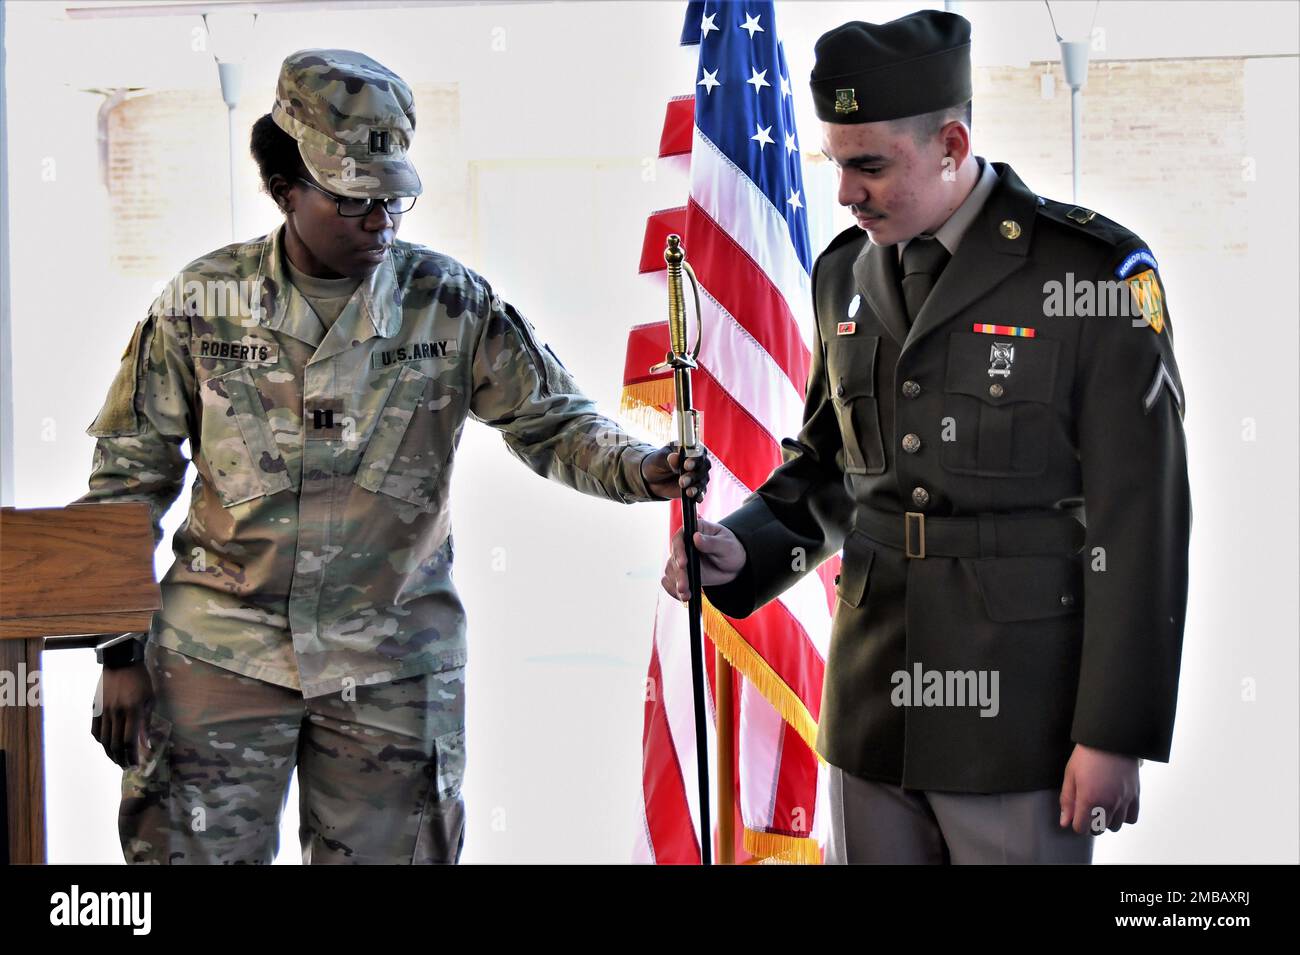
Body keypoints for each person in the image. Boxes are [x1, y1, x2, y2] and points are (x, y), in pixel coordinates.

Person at [79, 48, 708, 864]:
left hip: (389, 665)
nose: (381, 222)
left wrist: (641, 468)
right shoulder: (201, 305)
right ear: (285, 190)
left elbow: (553, 421)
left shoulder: (447, 303)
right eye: (352, 202)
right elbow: (127, 481)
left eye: (393, 200)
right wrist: (117, 648)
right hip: (217, 659)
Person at [662, 11, 1190, 864]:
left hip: (1022, 727)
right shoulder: (844, 272)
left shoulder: (1091, 275)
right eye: (834, 164)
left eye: (869, 165)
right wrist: (746, 547)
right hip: (871, 713)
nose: (844, 192)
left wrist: (1114, 730)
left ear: (950, 143)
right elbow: (834, 466)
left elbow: (1143, 519)